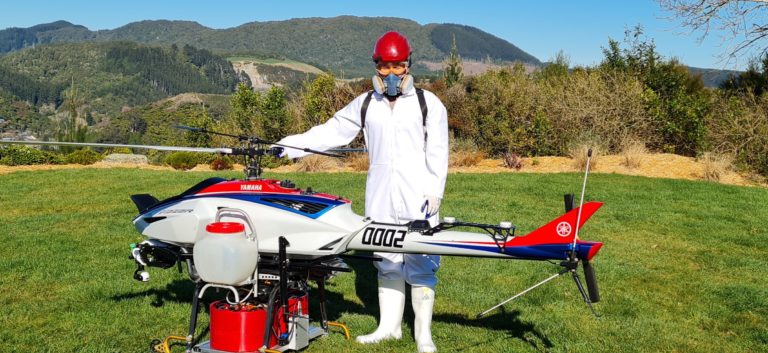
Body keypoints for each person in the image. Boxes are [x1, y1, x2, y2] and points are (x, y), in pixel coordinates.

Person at [275, 31, 448, 353]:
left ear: (409, 66)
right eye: (385, 67)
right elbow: (331, 131)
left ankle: (424, 335)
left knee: (421, 259)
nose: (393, 74)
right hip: (381, 191)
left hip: (419, 194)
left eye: (398, 66)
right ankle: (389, 328)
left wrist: (433, 190)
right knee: (386, 258)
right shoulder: (367, 103)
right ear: (376, 67)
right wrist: (287, 147)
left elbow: (439, 151)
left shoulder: (428, 103)